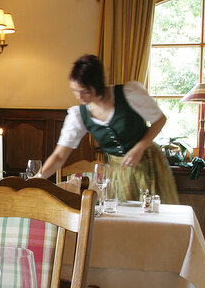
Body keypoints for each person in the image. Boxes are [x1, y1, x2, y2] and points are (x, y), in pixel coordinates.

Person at [38, 55, 178, 203]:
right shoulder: (78, 115)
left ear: (97, 84)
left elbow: (160, 120)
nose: (79, 96)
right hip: (118, 171)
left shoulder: (130, 93)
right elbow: (59, 156)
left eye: (84, 91)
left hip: (148, 163)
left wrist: (139, 148)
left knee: (155, 217)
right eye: (75, 90)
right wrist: (37, 179)